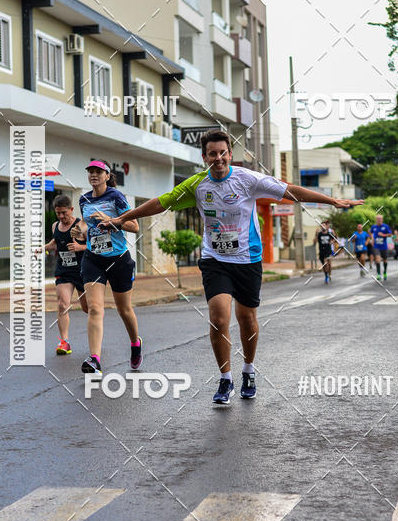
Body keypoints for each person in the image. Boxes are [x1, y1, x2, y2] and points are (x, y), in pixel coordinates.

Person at [96, 129, 363, 406]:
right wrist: (122, 219)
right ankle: (225, 378)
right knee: (219, 318)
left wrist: (331, 200)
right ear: (204, 157)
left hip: (248, 259)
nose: (218, 158)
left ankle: (248, 370)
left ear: (230, 154)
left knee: (247, 319)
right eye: (212, 154)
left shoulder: (247, 179)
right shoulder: (198, 185)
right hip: (215, 260)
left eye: (222, 153)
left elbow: (289, 190)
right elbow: (160, 203)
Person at [71, 160, 142, 377]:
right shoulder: (84, 199)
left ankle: (135, 342)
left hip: (118, 259)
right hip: (93, 259)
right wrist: (79, 232)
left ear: (107, 175)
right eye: (90, 171)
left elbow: (134, 226)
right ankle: (95, 360)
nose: (93, 175)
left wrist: (112, 220)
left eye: (98, 172)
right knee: (94, 308)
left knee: (124, 309)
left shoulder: (116, 197)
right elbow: (88, 226)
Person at [42, 195, 88, 355]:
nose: (61, 216)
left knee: (88, 308)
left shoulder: (81, 225)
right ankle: (64, 342)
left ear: (71, 209)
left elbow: (94, 245)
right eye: (58, 213)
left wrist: (80, 247)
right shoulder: (55, 226)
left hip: (82, 271)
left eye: (64, 213)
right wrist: (42, 248)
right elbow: (55, 243)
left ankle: (97, 326)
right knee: (62, 304)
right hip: (64, 270)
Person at [369, 213, 392, 281]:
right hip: (376, 246)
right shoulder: (374, 227)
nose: (379, 220)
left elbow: (390, 234)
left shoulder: (385, 226)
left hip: (384, 246)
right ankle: (378, 274)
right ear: (376, 220)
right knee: (377, 259)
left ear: (382, 220)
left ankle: (385, 272)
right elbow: (370, 232)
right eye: (378, 219)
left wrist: (383, 235)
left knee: (385, 260)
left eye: (380, 219)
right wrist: (372, 239)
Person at [314, 219, 335, 284]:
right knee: (324, 265)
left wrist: (332, 241)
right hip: (321, 252)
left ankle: (328, 276)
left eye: (324, 225)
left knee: (328, 264)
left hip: (328, 251)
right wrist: (316, 234)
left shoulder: (329, 233)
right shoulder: (319, 234)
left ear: (326, 226)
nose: (323, 226)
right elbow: (314, 242)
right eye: (322, 225)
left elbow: (334, 239)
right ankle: (326, 275)